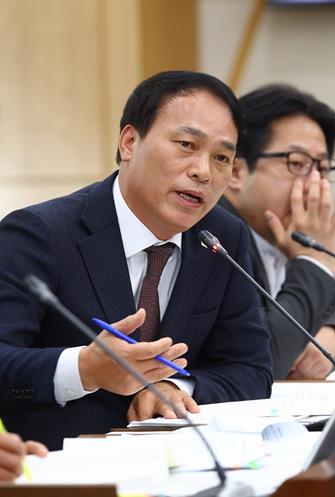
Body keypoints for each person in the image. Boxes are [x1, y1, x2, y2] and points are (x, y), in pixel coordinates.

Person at [0, 71, 272, 450]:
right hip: (65, 466)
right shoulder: (40, 233)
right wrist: (84, 369)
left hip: (184, 461)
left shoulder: (221, 237)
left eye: (221, 157)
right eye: (186, 144)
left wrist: (173, 386)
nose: (203, 171)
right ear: (129, 142)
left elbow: (251, 369)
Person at [221, 84, 335, 380]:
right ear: (236, 172)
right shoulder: (217, 236)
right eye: (297, 164)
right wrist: (312, 260)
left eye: (322, 168)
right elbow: (264, 360)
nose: (314, 184)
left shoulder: (281, 237)